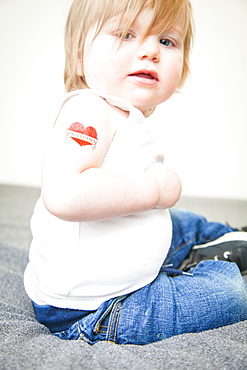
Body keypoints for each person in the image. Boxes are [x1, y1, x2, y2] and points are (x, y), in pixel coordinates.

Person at [24, 0, 247, 345]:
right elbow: (65, 193)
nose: (150, 52)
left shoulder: (123, 114)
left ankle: (229, 239)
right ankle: (209, 268)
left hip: (121, 263)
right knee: (229, 294)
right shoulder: (88, 109)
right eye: (126, 34)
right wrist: (154, 189)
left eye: (167, 42)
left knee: (181, 221)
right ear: (79, 57)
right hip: (94, 308)